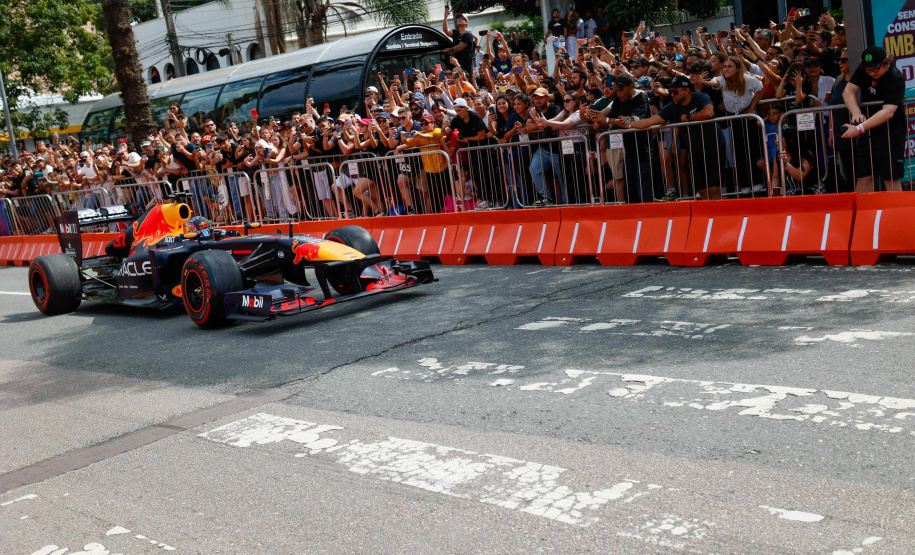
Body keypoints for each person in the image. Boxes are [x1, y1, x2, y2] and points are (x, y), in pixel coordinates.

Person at [627, 75, 725, 200]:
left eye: (675, 91)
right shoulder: (672, 107)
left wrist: (688, 117)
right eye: (670, 91)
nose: (672, 95)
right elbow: (648, 122)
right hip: (695, 150)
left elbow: (708, 113)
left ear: (687, 90)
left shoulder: (701, 97)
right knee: (703, 190)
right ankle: (708, 217)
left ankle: (717, 216)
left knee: (714, 188)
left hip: (714, 146)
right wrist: (620, 122)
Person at [841, 46, 906, 193]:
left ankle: (895, 211)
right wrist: (856, 112)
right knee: (863, 175)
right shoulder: (864, 70)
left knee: (890, 176)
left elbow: (888, 112)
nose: (871, 73)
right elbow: (848, 91)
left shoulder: (895, 78)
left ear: (885, 63)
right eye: (868, 70)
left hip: (890, 130)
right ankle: (865, 212)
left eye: (875, 69)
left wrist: (860, 128)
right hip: (867, 130)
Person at [442, 8, 475, 77]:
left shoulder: (468, 34)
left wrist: (447, 50)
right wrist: (445, 17)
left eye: (462, 18)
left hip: (466, 67)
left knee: (466, 84)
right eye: (457, 19)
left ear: (466, 22)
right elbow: (445, 30)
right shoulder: (455, 33)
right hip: (456, 66)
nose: (459, 20)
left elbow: (458, 48)